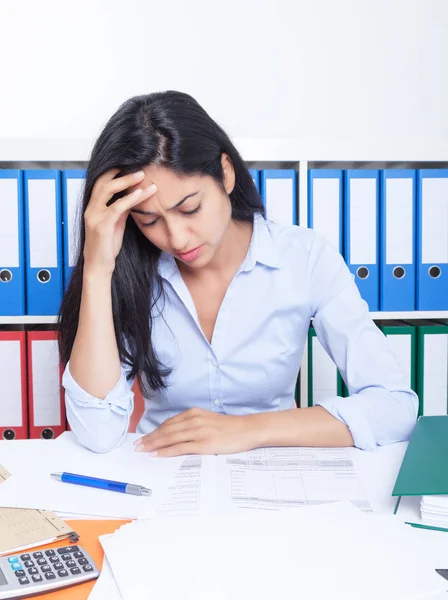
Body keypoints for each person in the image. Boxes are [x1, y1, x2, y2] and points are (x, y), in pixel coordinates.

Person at [59, 90, 418, 456]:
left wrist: (247, 430)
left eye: (190, 208)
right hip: (161, 480)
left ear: (226, 174)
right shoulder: (129, 269)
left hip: (276, 475)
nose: (177, 238)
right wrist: (97, 268)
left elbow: (394, 408)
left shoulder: (305, 258)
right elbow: (97, 433)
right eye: (149, 221)